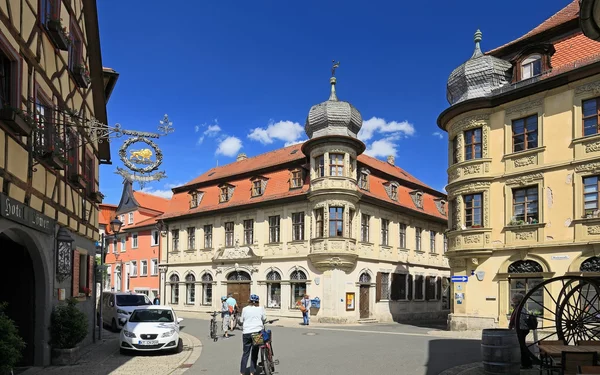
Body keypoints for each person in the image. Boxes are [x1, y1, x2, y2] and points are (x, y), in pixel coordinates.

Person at [239, 294, 266, 375]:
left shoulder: (244, 309)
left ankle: (242, 372)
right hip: (257, 332)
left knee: (245, 353)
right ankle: (252, 372)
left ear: (249, 301)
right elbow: (264, 319)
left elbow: (241, 320)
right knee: (254, 353)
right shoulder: (261, 309)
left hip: (246, 332)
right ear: (258, 301)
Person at [508, 293, 533, 369]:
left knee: (522, 347)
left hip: (521, 330)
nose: (512, 299)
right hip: (521, 329)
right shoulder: (519, 307)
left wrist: (513, 327)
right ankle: (526, 363)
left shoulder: (520, 309)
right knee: (522, 347)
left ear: (518, 300)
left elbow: (519, 321)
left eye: (514, 298)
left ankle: (526, 364)